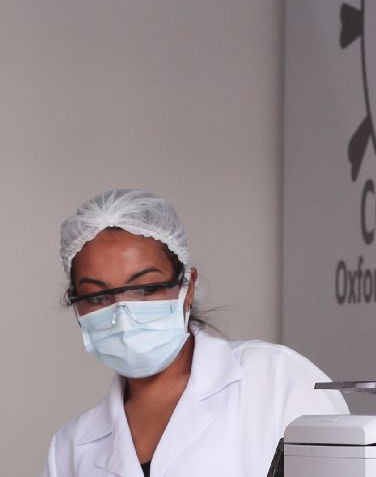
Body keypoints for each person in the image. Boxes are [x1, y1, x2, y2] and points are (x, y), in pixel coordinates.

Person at [42, 189, 347, 476]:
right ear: (77, 307)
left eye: (146, 289)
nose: (123, 315)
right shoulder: (70, 448)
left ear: (187, 288)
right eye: (97, 297)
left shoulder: (279, 381)